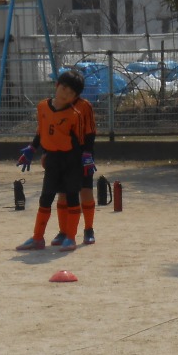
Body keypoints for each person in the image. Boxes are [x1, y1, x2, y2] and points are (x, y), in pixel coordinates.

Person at [15, 69, 86, 252]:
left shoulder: (75, 115)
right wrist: (32, 149)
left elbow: (81, 142)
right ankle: (37, 238)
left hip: (71, 161)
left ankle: (70, 237)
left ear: (75, 97)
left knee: (72, 196)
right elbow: (42, 131)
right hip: (52, 159)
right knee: (46, 198)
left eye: (71, 93)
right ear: (57, 86)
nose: (65, 94)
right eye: (64, 89)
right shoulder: (42, 107)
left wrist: (85, 161)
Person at [52, 90, 98, 247]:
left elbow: (90, 131)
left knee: (85, 190)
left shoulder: (84, 106)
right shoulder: (55, 105)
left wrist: (87, 153)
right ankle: (63, 231)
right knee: (63, 193)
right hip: (61, 155)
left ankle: (89, 229)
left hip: (82, 155)